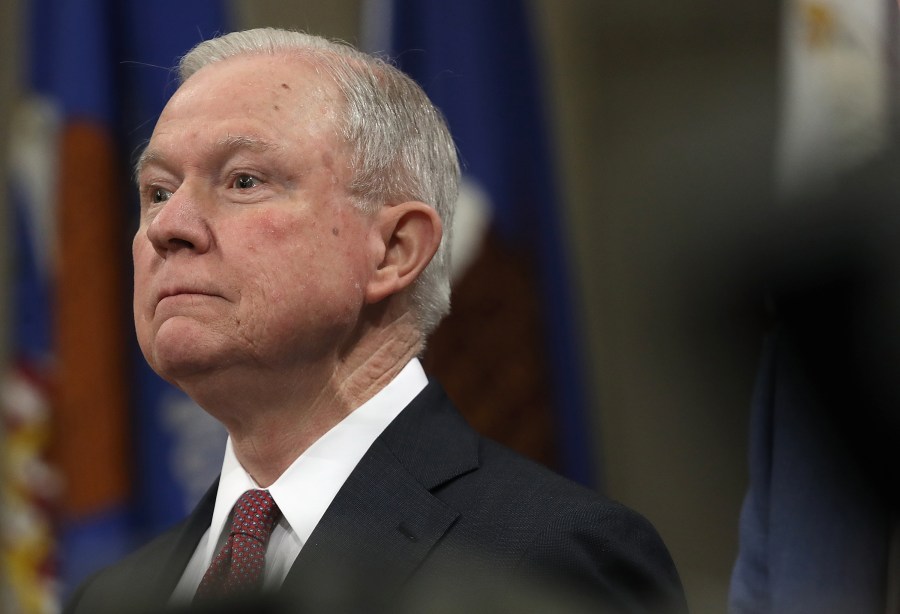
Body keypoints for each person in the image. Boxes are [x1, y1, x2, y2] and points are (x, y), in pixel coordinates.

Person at [64, 28, 686, 613]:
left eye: (244, 180)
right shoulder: (112, 596)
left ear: (393, 250)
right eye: (158, 192)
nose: (168, 227)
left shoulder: (547, 559)